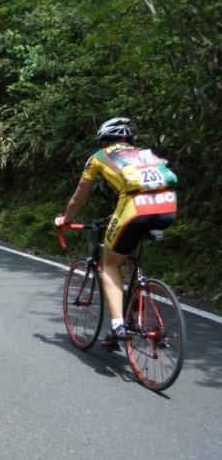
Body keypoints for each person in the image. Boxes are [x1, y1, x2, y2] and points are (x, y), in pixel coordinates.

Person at [55, 117, 178, 351]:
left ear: (104, 141)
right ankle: (137, 304)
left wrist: (65, 220)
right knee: (131, 254)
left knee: (110, 265)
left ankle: (118, 325)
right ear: (127, 139)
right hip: (168, 206)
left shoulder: (99, 157)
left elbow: (79, 197)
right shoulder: (146, 153)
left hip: (134, 209)